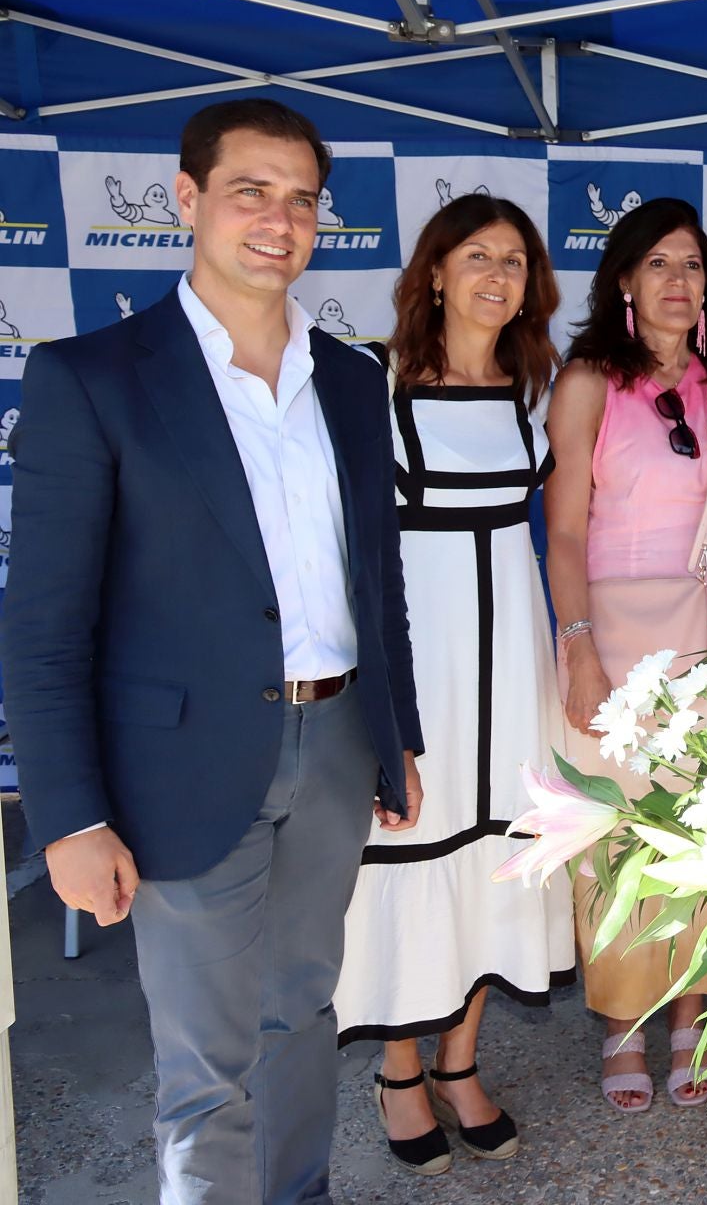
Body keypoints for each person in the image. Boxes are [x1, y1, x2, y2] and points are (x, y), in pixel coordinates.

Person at [0, 98, 424, 1203]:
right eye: (250, 190)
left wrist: (396, 735)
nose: (277, 218)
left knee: (304, 1013)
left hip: (333, 743)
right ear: (187, 199)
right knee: (207, 1064)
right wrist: (71, 818)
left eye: (300, 198)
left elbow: (374, 579)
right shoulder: (91, 379)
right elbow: (44, 626)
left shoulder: (349, 378)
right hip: (180, 765)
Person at [334, 194, 572, 1174]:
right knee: (406, 859)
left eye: (514, 260)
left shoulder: (533, 392)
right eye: (476, 255)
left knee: (497, 862)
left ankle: (463, 1060)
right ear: (434, 271)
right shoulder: (376, 387)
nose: (497, 275)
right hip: (419, 660)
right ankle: (399, 1070)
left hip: (513, 662)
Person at [545, 197, 707, 1112]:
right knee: (624, 835)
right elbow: (562, 532)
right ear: (626, 284)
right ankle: (625, 1025)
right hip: (624, 634)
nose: (680, 282)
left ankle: (695, 1015)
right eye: (659, 266)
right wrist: (579, 648)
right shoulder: (589, 381)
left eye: (692, 266)